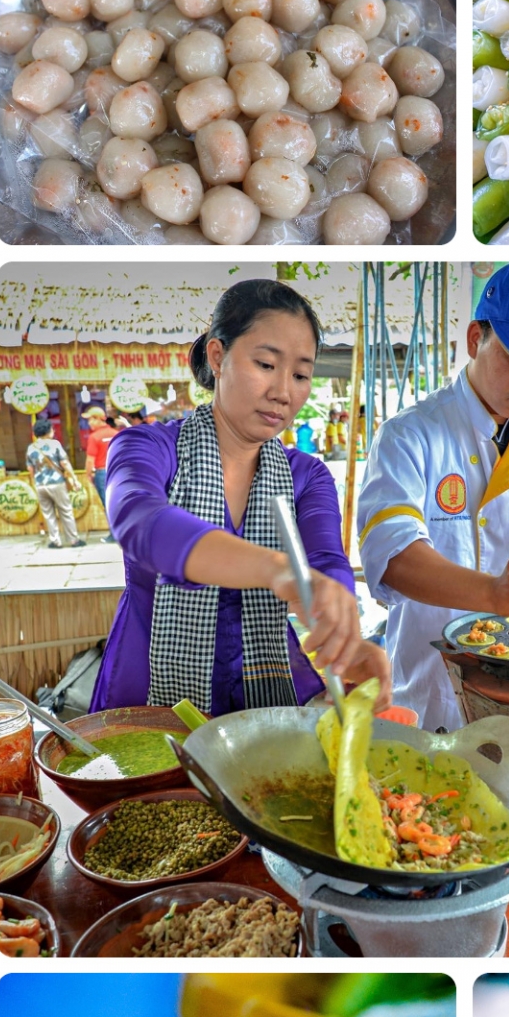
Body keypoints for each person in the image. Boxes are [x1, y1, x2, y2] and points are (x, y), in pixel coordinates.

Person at [91, 278, 390, 717]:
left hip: (274, 685)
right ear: (218, 356)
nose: (283, 392)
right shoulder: (146, 448)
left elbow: (327, 561)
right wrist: (276, 569)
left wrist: (347, 637)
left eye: (301, 374)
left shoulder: (307, 476)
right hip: (151, 692)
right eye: (267, 365)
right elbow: (143, 525)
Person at [356, 262, 509, 730]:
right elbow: (395, 556)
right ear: (474, 340)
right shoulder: (410, 435)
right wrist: (494, 592)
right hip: (436, 685)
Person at [24, 416, 86, 550]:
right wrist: (74, 478)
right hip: (57, 483)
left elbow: (30, 469)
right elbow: (64, 463)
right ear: (48, 431)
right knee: (65, 511)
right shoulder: (55, 444)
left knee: (48, 513)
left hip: (41, 485)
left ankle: (55, 541)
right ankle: (73, 540)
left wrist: (35, 483)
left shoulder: (31, 448)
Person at [83, 407, 116, 509]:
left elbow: (90, 460)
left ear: (97, 419)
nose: (89, 423)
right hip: (118, 471)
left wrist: (89, 475)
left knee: (108, 505)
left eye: (90, 420)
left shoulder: (94, 437)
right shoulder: (116, 434)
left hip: (103, 474)